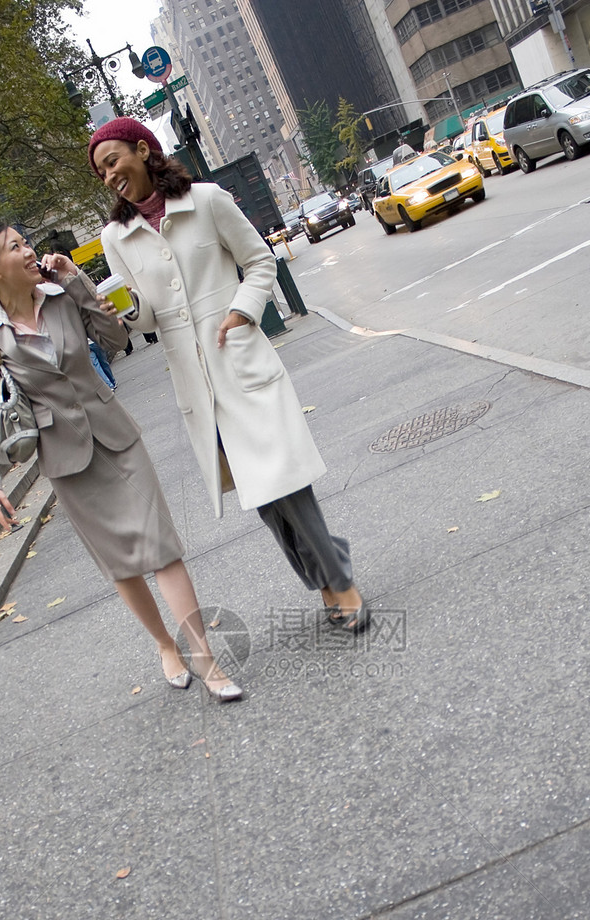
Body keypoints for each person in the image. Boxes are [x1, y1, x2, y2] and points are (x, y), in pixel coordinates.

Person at [88, 119, 369, 633]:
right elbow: (146, 318)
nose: (109, 177)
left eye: (113, 162)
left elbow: (260, 262)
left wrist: (242, 311)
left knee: (286, 481)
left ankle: (340, 580)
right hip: (197, 386)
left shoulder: (208, 200)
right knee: (262, 497)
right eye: (101, 172)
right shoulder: (115, 238)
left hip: (240, 362)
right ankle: (325, 578)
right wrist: (119, 316)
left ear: (143, 149)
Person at [0, 221, 242, 700]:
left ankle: (206, 657)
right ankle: (163, 645)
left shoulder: (61, 294)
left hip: (116, 437)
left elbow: (112, 339)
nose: (29, 251)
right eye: (15, 247)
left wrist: (77, 281)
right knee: (122, 564)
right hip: (66, 461)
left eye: (26, 243)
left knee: (162, 548)